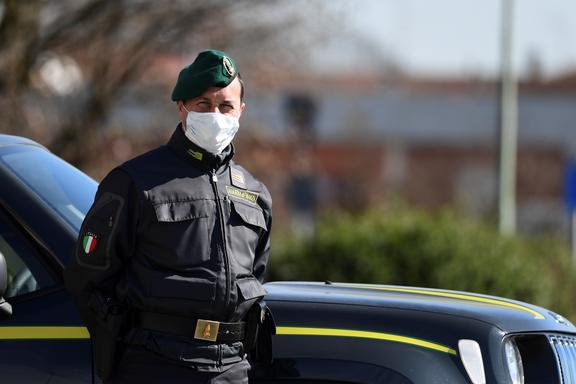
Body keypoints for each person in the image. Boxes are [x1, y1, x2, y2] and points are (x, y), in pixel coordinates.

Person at [64, 49, 272, 383]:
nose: (215, 114)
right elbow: (87, 278)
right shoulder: (136, 181)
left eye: (225, 106)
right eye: (203, 104)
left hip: (232, 370)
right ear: (182, 107)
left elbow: (256, 278)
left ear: (241, 111)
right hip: (156, 365)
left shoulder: (256, 194)